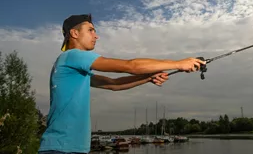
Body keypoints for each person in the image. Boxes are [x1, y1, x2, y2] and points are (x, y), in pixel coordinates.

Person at [38, 14, 206, 154]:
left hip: (67, 147)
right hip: (62, 148)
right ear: (74, 33)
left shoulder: (71, 67)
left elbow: (114, 84)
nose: (96, 36)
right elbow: (130, 66)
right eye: (90, 30)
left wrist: (148, 77)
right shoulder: (73, 55)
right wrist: (178, 63)